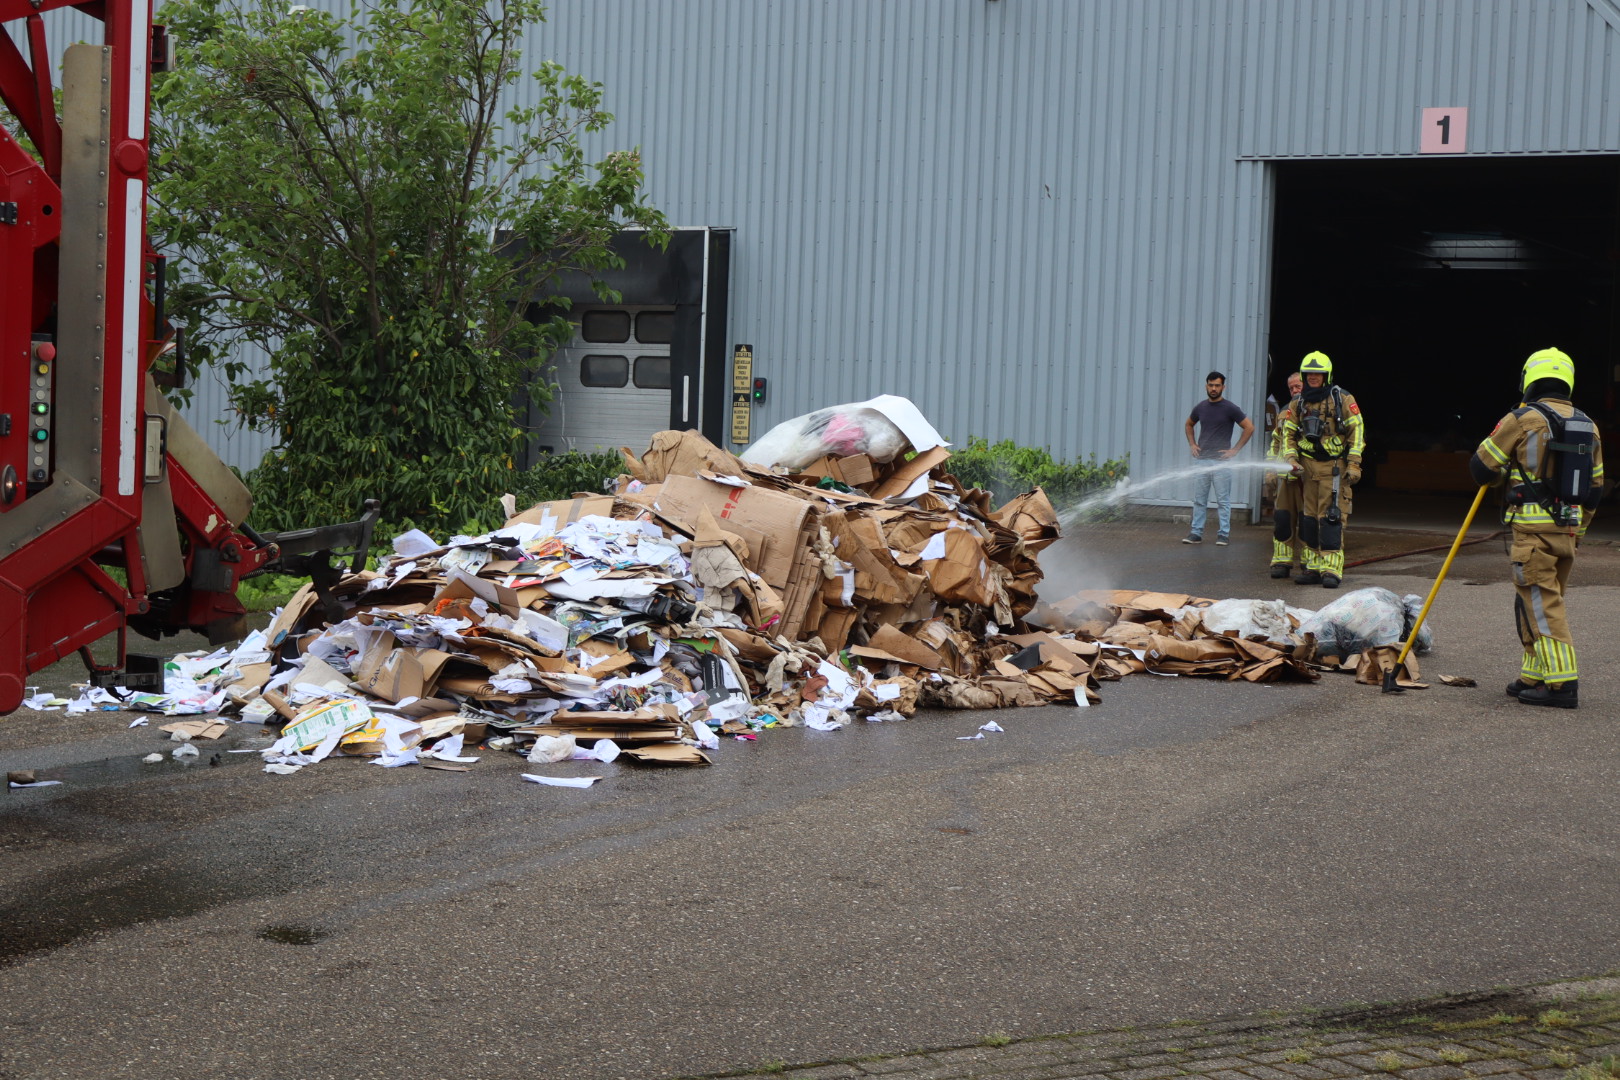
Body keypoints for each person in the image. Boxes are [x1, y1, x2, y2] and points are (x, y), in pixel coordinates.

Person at [1469, 347, 1604, 709]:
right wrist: (1578, 530)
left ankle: (1562, 685)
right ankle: (1534, 674)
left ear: (1529, 378)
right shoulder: (1588, 425)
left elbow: (1481, 467)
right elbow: (1595, 489)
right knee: (1535, 602)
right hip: (1568, 533)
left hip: (1531, 532)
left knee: (1542, 605)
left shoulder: (1523, 418)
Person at [1280, 351, 1364, 588]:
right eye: (1309, 373)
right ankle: (1313, 567)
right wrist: (1290, 457)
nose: (1313, 377)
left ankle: (1331, 568)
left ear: (1326, 375)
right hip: (1307, 469)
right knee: (1308, 519)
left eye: (1318, 373)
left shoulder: (1342, 399)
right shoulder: (1299, 402)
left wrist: (1354, 463)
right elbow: (1288, 432)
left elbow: (1356, 431)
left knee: (1331, 518)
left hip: (1333, 468)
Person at [1181, 371, 1254, 545]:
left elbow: (1249, 427)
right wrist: (1192, 444)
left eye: (1217, 385)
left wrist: (1234, 450)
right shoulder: (1200, 407)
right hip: (1202, 461)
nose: (1214, 388)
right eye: (1211, 385)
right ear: (1206, 386)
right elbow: (1189, 424)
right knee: (1200, 500)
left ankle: (1223, 534)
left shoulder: (1230, 408)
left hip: (1222, 462)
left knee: (1223, 501)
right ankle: (1196, 533)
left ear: (1223, 387)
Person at [1265, 371, 1305, 577]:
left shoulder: (1315, 410)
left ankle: (1308, 563)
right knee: (1282, 520)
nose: (1294, 390)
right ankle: (1281, 562)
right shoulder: (1283, 412)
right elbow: (1276, 442)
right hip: (1284, 478)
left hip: (1306, 479)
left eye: (1298, 386)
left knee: (1308, 522)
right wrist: (1271, 468)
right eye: (1291, 388)